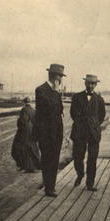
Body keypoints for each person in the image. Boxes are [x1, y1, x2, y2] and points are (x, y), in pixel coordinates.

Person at [70, 74, 106, 191]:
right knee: (77, 156)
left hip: (94, 133)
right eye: (88, 83)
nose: (90, 85)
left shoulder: (99, 99)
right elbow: (73, 113)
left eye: (93, 83)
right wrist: (81, 123)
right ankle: (80, 173)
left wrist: (93, 124)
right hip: (79, 132)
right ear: (85, 83)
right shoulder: (77, 97)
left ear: (96, 85)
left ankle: (90, 184)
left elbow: (101, 116)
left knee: (92, 159)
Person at [34, 63, 66, 197]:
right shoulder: (41, 90)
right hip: (46, 133)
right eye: (60, 76)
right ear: (55, 77)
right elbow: (49, 109)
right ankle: (49, 187)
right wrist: (55, 92)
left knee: (54, 159)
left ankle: (50, 185)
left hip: (56, 132)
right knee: (47, 159)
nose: (61, 79)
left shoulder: (55, 91)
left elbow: (59, 111)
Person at [11, 97, 41, 173]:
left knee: (18, 148)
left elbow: (23, 121)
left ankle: (24, 166)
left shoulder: (24, 110)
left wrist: (18, 122)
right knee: (32, 148)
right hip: (32, 132)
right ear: (30, 102)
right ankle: (33, 166)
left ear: (24, 102)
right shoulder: (34, 110)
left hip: (24, 132)